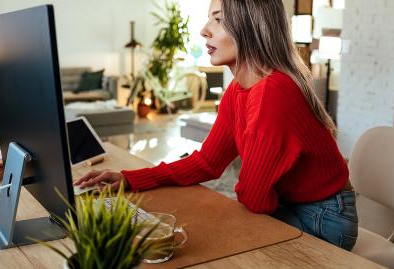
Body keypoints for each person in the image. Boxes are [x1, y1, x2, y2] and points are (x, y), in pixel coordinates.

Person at [74, 0, 358, 251]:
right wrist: (129, 178)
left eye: (218, 19)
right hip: (292, 202)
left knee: (208, 236)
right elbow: (208, 162)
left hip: (324, 217)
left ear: (250, 27)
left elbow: (255, 198)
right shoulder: (237, 91)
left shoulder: (274, 92)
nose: (204, 30)